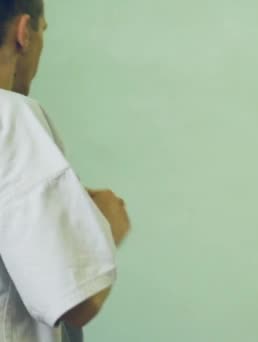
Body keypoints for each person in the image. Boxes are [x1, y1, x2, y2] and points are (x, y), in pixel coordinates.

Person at [0, 0, 130, 340]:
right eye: (42, 33)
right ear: (23, 32)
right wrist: (104, 224)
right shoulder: (9, 118)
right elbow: (76, 301)